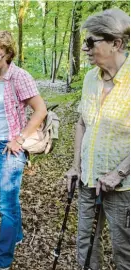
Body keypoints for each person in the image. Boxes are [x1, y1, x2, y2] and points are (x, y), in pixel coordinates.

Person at [0, 30, 47, 270]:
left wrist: (20, 138)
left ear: (8, 55)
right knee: (9, 199)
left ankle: (1, 260)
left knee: (6, 203)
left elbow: (40, 110)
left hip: (10, 149)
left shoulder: (19, 77)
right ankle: (15, 236)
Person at [65, 9, 130, 270]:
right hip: (88, 178)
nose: (85, 49)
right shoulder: (91, 78)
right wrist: (75, 166)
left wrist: (120, 172)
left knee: (123, 247)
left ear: (116, 43)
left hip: (122, 187)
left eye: (91, 42)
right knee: (85, 243)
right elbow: (83, 123)